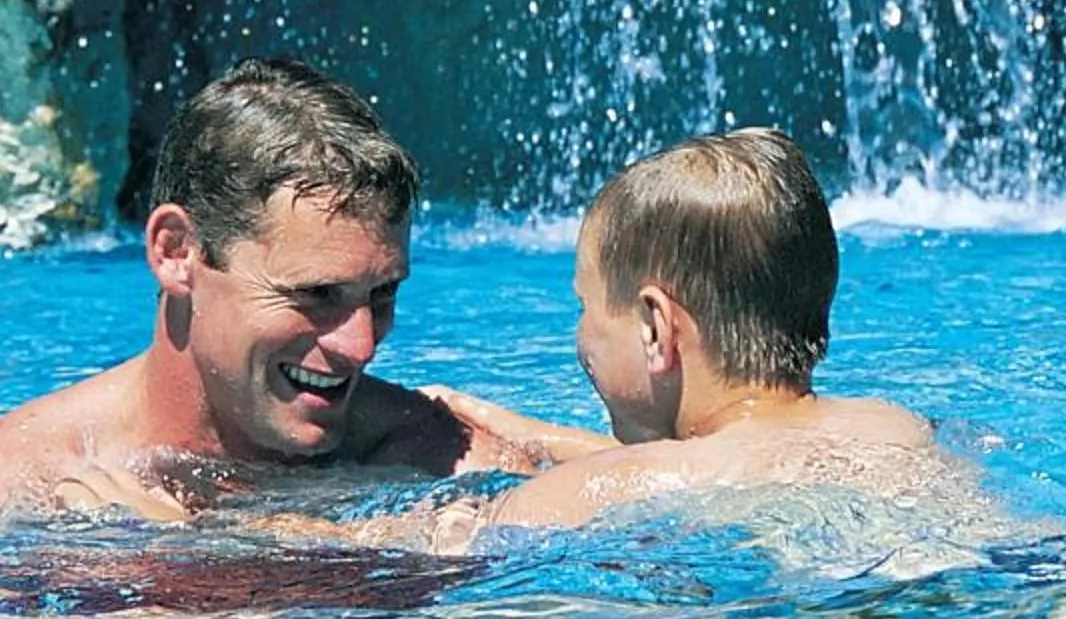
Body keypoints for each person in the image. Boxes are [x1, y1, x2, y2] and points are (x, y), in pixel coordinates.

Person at [0, 57, 607, 524]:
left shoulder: (425, 453)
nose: (360, 344)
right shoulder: (21, 486)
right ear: (177, 254)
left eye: (382, 294)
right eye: (315, 294)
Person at [397, 127, 945, 545]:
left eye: (584, 306)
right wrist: (529, 437)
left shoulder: (603, 491)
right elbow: (731, 460)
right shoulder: (896, 427)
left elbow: (389, 551)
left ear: (655, 327)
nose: (581, 330)